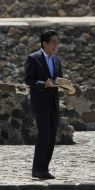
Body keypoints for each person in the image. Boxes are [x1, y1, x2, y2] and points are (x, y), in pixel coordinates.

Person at [24, 30, 63, 179]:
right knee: (44, 134)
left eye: (56, 42)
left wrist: (66, 86)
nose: (55, 45)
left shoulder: (57, 60)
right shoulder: (33, 58)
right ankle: (37, 169)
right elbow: (28, 79)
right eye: (53, 42)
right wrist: (43, 84)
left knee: (52, 136)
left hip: (54, 102)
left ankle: (44, 169)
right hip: (40, 102)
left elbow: (59, 79)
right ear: (44, 43)